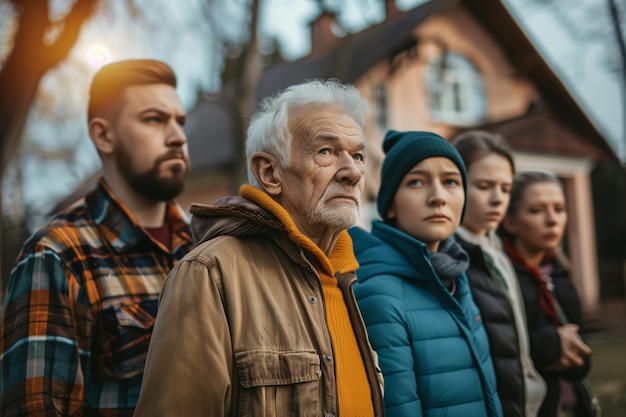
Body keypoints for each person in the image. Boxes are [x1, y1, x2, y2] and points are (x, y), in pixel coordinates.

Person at [133, 79, 385, 417]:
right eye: (326, 151)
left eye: (357, 155)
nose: (353, 172)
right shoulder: (210, 274)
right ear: (270, 173)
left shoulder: (351, 277)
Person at [0, 59, 193, 416]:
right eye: (154, 119)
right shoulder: (55, 256)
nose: (178, 136)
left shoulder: (209, 247)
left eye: (180, 121)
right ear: (104, 135)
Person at [350, 130, 503, 417]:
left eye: (451, 182)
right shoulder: (379, 293)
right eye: (416, 182)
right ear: (390, 205)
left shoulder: (456, 274)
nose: (438, 197)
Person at [452, 130, 547, 417]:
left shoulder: (497, 251)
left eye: (505, 189)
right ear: (455, 183)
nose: (497, 199)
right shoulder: (450, 258)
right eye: (484, 186)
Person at [499, 170, 592, 417]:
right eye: (537, 210)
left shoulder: (562, 274)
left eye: (559, 209)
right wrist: (552, 346)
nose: (552, 220)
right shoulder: (501, 278)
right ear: (510, 222)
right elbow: (503, 350)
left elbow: (584, 350)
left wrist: (577, 358)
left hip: (571, 406)